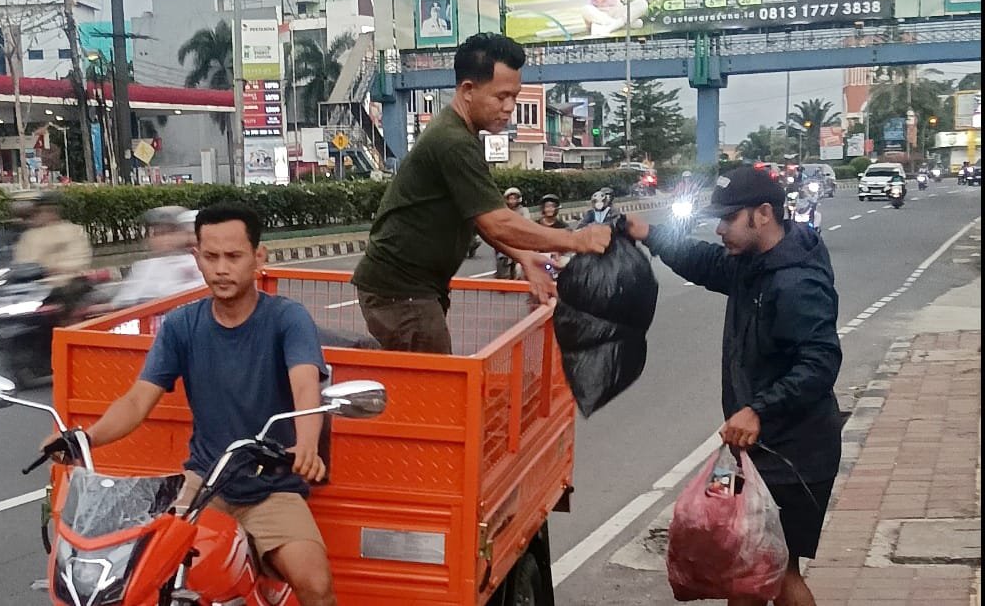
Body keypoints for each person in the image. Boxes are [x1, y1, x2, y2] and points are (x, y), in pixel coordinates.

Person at [41, 202, 336, 606]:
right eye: (211, 257)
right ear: (196, 258)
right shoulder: (182, 325)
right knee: (142, 577)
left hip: (272, 488)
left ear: (258, 257)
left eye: (233, 257)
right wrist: (83, 439)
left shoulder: (287, 319)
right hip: (204, 485)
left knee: (315, 584)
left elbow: (305, 385)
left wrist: (305, 445)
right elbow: (137, 400)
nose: (221, 269)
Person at [623, 166, 842, 606]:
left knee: (773, 572)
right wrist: (645, 232)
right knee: (744, 568)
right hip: (751, 446)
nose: (720, 229)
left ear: (763, 214)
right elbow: (702, 261)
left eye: (728, 219)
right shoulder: (753, 264)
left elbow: (820, 362)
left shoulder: (795, 282)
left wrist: (759, 409)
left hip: (793, 451)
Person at [351, 33, 611, 354]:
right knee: (436, 395)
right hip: (400, 293)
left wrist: (523, 256)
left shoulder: (461, 133)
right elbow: (497, 221)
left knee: (427, 388)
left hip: (409, 290)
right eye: (501, 96)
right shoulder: (454, 141)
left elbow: (478, 216)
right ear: (468, 91)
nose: (510, 107)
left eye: (514, 96)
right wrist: (575, 241)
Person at [107, 206, 204, 310]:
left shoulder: (195, 263)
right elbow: (123, 301)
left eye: (169, 232)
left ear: (182, 234)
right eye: (156, 234)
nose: (163, 239)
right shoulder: (144, 267)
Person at [12, 191, 92, 284]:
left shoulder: (73, 231)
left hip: (68, 285)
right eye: (41, 211)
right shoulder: (29, 236)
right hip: (35, 287)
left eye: (49, 210)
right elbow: (23, 262)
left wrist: (56, 269)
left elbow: (78, 261)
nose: (44, 214)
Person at [496, 187, 531, 279]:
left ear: (518, 199)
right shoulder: (503, 211)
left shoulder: (524, 210)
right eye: (510, 198)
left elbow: (527, 223)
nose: (512, 201)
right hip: (506, 238)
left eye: (514, 198)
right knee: (500, 254)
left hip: (520, 239)